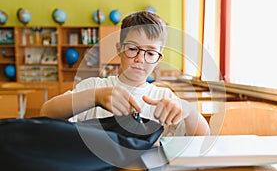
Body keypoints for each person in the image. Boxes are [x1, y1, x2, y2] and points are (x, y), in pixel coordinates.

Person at [40, 11, 210, 136]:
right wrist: (95, 97)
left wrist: (189, 111)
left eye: (150, 53)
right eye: (132, 49)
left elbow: (204, 138)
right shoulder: (96, 87)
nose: (140, 59)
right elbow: (47, 112)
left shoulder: (164, 97)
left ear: (158, 59)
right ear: (119, 49)